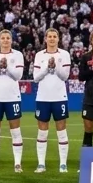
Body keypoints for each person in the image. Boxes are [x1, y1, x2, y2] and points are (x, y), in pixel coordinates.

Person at [0, 29, 26, 173]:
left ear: (11, 40)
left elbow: (18, 76)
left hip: (12, 98)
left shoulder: (18, 55)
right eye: (3, 38)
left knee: (15, 131)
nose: (6, 40)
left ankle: (18, 164)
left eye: (8, 38)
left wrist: (7, 66)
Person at [33, 28, 73, 171]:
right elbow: (36, 78)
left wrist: (55, 67)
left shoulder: (64, 54)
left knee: (61, 131)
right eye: (49, 36)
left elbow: (65, 77)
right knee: (42, 132)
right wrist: (46, 68)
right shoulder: (39, 55)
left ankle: (63, 164)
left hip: (59, 98)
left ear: (58, 39)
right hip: (43, 98)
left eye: (54, 36)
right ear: (45, 39)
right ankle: (41, 164)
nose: (51, 39)